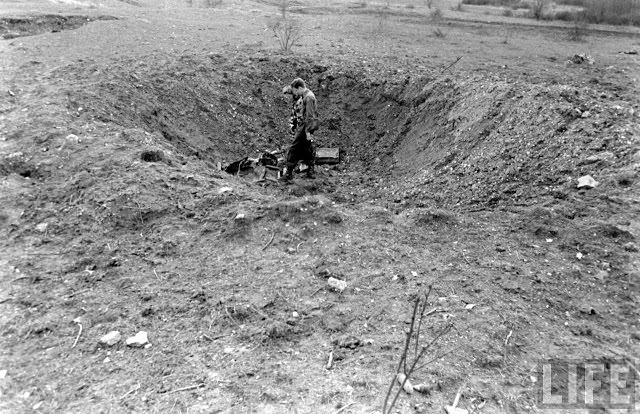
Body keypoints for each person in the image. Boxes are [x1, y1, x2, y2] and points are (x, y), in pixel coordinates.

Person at [281, 78, 319, 181]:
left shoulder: (309, 97)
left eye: (295, 90)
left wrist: (307, 132)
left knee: (295, 147)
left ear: (300, 88)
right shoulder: (305, 95)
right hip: (306, 126)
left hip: (306, 126)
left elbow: (310, 116)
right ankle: (310, 170)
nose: (295, 93)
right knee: (307, 147)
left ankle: (289, 173)